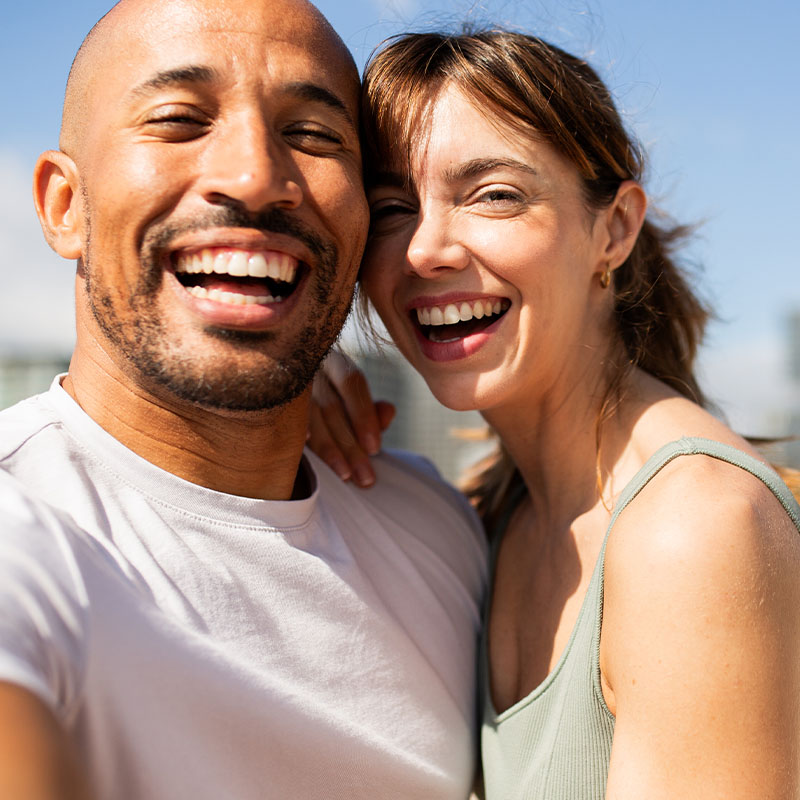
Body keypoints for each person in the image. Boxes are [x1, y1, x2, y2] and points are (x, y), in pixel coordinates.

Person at [0, 3, 487, 799]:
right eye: (179, 119)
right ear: (64, 206)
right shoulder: (20, 529)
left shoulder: (437, 528)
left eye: (314, 136)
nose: (258, 175)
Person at [308, 29, 800, 799]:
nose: (424, 250)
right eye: (392, 207)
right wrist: (281, 388)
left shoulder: (694, 527)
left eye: (494, 194)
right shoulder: (491, 513)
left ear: (614, 228)